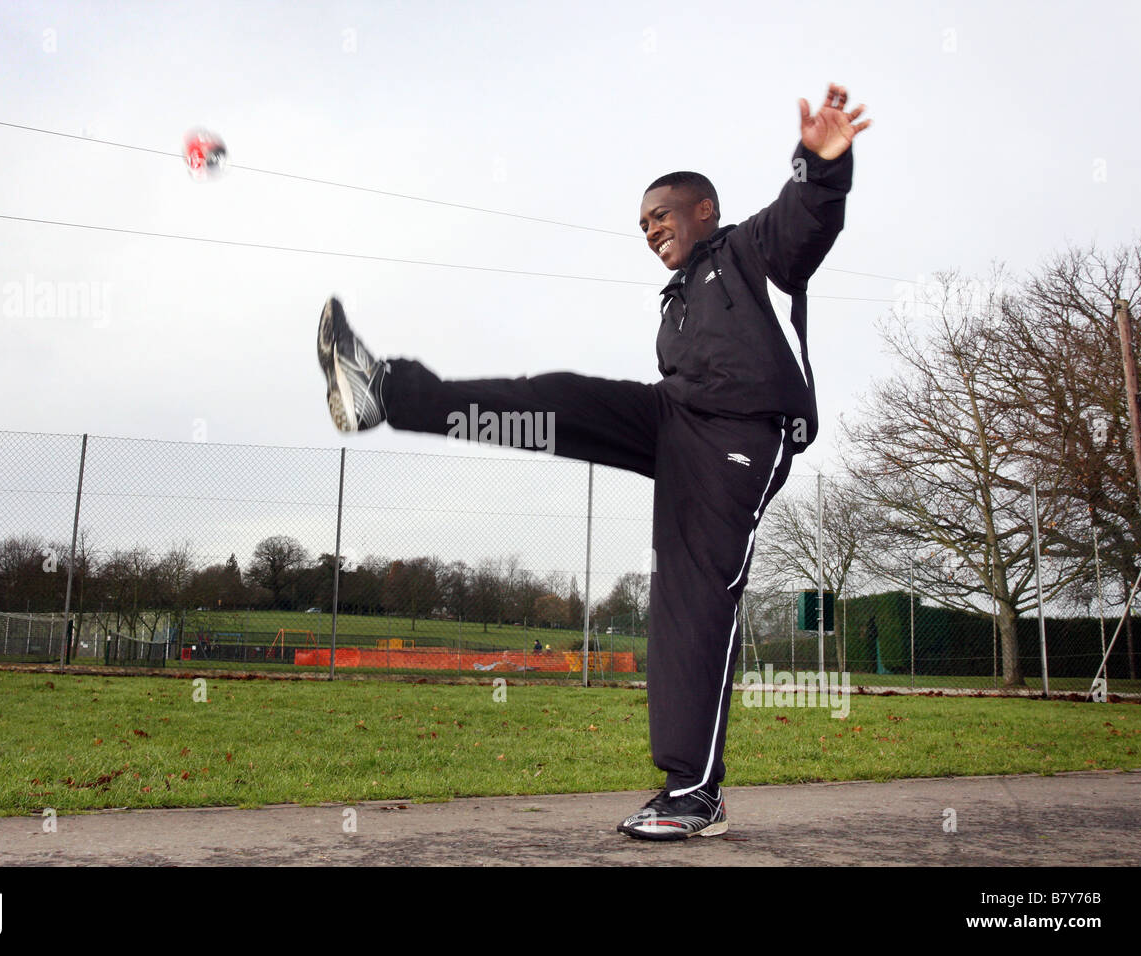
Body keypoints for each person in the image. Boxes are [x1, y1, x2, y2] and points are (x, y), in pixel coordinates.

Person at [316, 83, 869, 840]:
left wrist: (819, 161)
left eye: (660, 215)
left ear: (702, 209)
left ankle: (694, 793)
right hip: (675, 417)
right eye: (641, 224)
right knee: (557, 402)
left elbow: (806, 221)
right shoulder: (675, 304)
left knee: (691, 597)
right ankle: (387, 392)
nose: (650, 231)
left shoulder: (749, 252)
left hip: (740, 435)